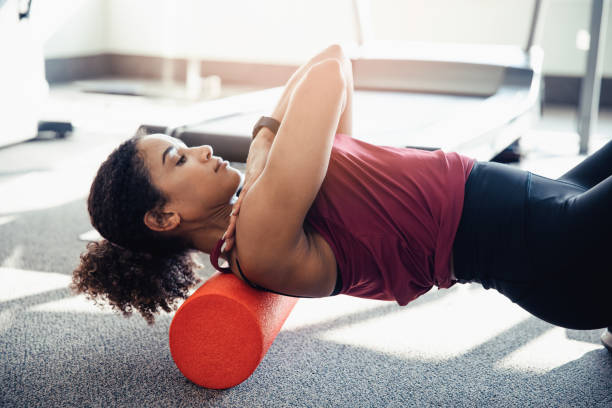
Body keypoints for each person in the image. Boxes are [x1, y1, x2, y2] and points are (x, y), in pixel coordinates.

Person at [71, 44, 611, 350]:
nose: (204, 148)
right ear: (164, 216)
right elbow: (327, 75)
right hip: (551, 245)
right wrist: (262, 146)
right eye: (179, 158)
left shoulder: (270, 199)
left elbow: (334, 59)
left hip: (545, 207)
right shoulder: (258, 235)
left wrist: (267, 152)